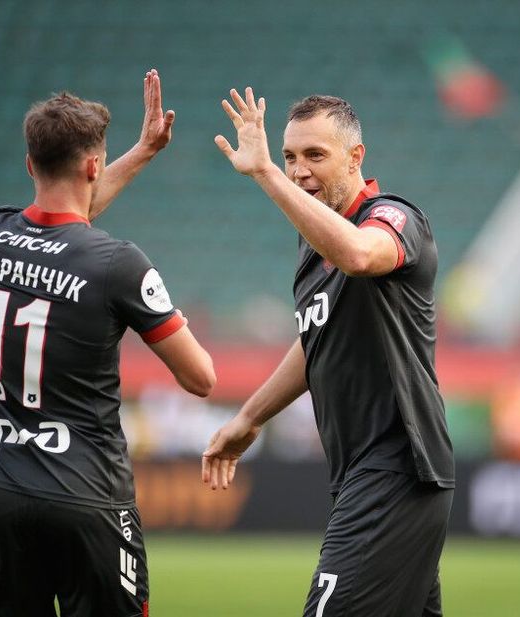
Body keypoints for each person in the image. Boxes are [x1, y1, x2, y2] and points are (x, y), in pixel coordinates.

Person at [0, 71, 216, 617]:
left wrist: (142, 151)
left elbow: (64, 224)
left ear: (29, 164)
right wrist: (164, 311)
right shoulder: (118, 264)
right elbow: (201, 378)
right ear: (94, 166)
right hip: (87, 497)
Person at [202, 89, 455, 616]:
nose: (299, 171)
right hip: (359, 472)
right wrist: (249, 417)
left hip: (399, 466)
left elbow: (361, 254)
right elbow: (316, 339)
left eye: (315, 155)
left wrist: (265, 172)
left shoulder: (395, 217)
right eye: (289, 157)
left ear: (355, 157)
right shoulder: (313, 242)